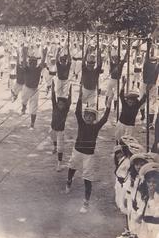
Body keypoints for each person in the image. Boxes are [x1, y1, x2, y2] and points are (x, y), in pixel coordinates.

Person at [65, 85, 112, 213]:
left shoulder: (96, 127)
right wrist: (80, 97)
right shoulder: (81, 122)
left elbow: (105, 118)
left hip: (89, 156)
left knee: (88, 177)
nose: (88, 118)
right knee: (72, 166)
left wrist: (108, 105)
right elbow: (77, 112)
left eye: (91, 116)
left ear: (94, 118)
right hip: (77, 151)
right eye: (87, 116)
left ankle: (86, 203)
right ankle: (69, 181)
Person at [21, 42, 47, 130]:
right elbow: (24, 62)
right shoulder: (26, 68)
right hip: (26, 88)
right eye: (31, 62)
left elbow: (43, 62)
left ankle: (32, 124)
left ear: (36, 63)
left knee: (34, 108)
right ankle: (24, 107)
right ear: (29, 63)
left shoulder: (38, 69)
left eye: (34, 62)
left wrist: (45, 54)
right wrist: (24, 54)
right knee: (24, 100)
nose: (32, 64)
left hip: (35, 90)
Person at [115, 77, 146, 143]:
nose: (131, 103)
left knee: (127, 142)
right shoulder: (124, 103)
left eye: (132, 102)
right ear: (127, 100)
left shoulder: (137, 105)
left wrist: (146, 91)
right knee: (118, 139)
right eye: (129, 101)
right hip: (121, 124)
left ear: (135, 101)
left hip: (130, 126)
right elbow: (121, 95)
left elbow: (143, 99)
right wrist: (123, 84)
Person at [50, 80, 72, 171]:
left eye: (62, 104)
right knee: (53, 138)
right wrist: (53, 88)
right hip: (52, 129)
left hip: (60, 131)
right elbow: (53, 98)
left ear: (65, 105)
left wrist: (70, 92)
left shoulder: (65, 110)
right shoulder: (55, 106)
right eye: (59, 104)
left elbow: (69, 101)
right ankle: (54, 146)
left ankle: (59, 164)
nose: (60, 106)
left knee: (60, 147)